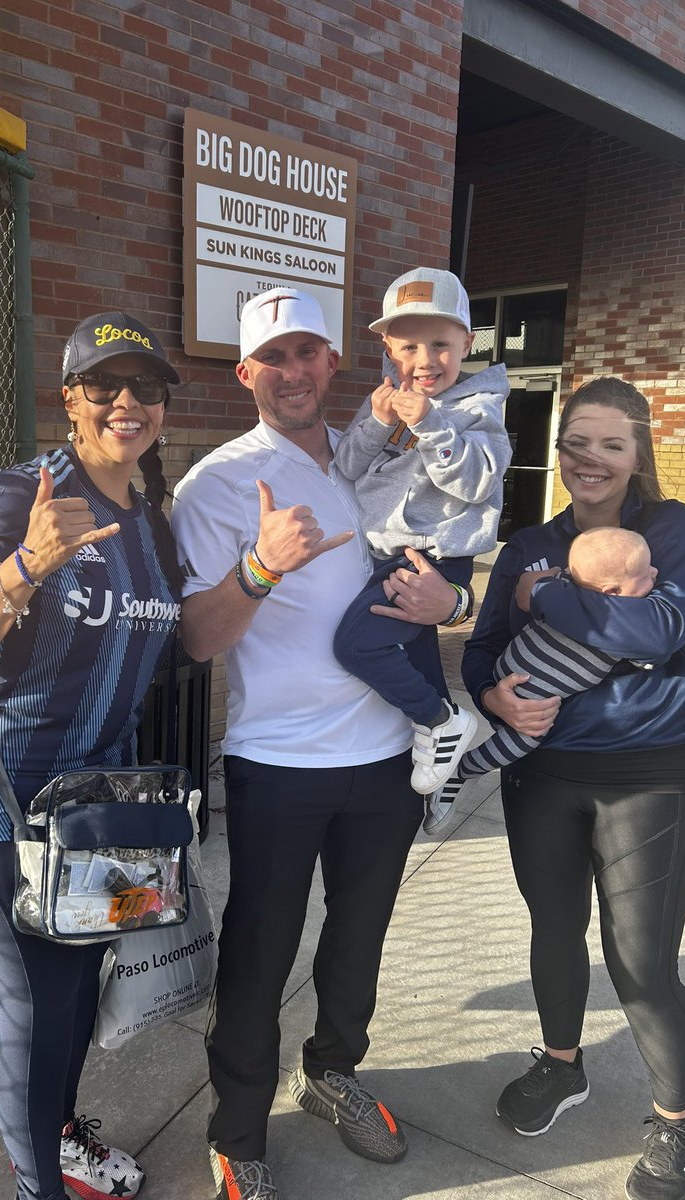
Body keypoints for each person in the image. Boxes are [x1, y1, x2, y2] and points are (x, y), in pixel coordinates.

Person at [0, 311, 182, 1200]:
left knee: (73, 985)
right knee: (32, 1001)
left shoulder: (151, 516)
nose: (126, 403)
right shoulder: (22, 496)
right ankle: (41, 1187)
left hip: (84, 809)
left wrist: (258, 569)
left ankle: (60, 1138)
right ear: (69, 399)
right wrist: (26, 564)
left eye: (144, 386)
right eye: (103, 385)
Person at [170, 288, 429, 1200]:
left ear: (330, 363)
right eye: (273, 358)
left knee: (358, 939)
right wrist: (262, 565)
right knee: (260, 951)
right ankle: (238, 1130)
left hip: (388, 755)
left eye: (308, 353)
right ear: (247, 374)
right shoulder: (217, 484)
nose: (293, 372)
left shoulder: (374, 464)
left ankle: (332, 1074)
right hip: (280, 761)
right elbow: (200, 639)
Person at [461, 377, 685, 1200]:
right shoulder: (527, 543)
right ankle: (562, 1066)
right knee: (554, 931)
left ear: (638, 453)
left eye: (611, 444)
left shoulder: (667, 528)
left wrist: (555, 598)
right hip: (543, 779)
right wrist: (492, 695)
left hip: (649, 779)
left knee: (640, 966)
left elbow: (660, 629)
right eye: (577, 444)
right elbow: (482, 647)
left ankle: (678, 1121)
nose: (590, 460)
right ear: (560, 451)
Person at [332, 267, 511, 796]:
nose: (425, 360)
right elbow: (346, 466)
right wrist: (377, 424)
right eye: (409, 346)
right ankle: (446, 772)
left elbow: (478, 481)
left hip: (432, 558)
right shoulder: (383, 400)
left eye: (441, 344)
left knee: (356, 645)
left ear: (468, 343)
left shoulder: (480, 408)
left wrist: (432, 423)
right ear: (388, 346)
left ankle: (440, 721)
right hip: (386, 554)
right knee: (416, 657)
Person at [424, 526, 658, 833]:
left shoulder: (563, 587)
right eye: (645, 574)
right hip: (528, 691)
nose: (655, 572)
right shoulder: (618, 623)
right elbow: (650, 650)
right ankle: (462, 770)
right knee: (530, 736)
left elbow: (542, 580)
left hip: (508, 668)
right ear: (613, 593)